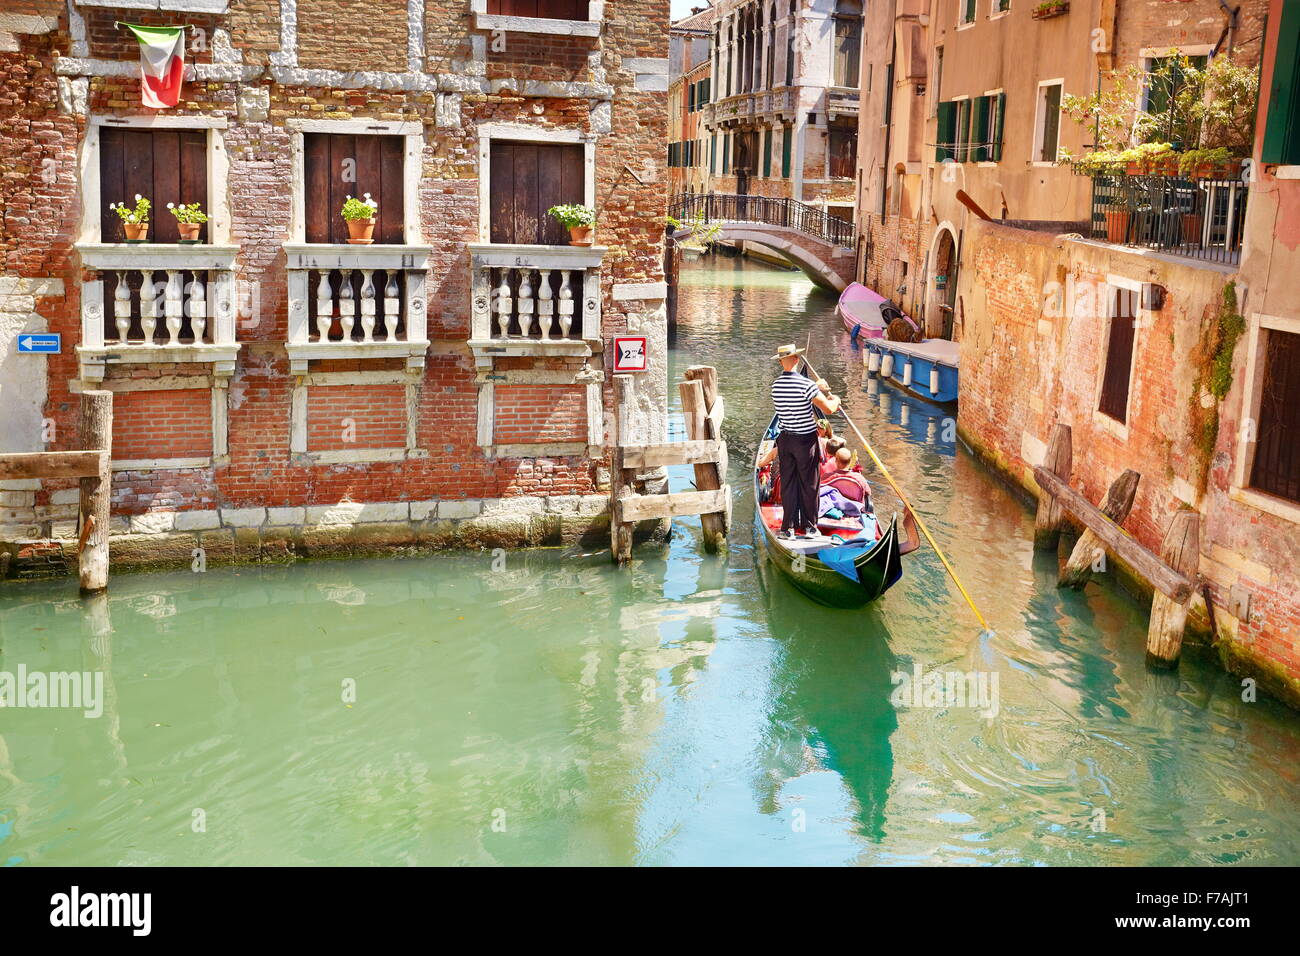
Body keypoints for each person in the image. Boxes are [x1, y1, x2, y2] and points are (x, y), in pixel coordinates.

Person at [770, 343, 841, 538]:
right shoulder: (806, 385)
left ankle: (788, 528)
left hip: (785, 440)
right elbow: (828, 409)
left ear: (781, 362)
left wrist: (816, 388)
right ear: (796, 359)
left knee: (789, 484)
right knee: (810, 484)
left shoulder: (776, 386)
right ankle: (810, 527)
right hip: (805, 442)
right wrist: (835, 399)